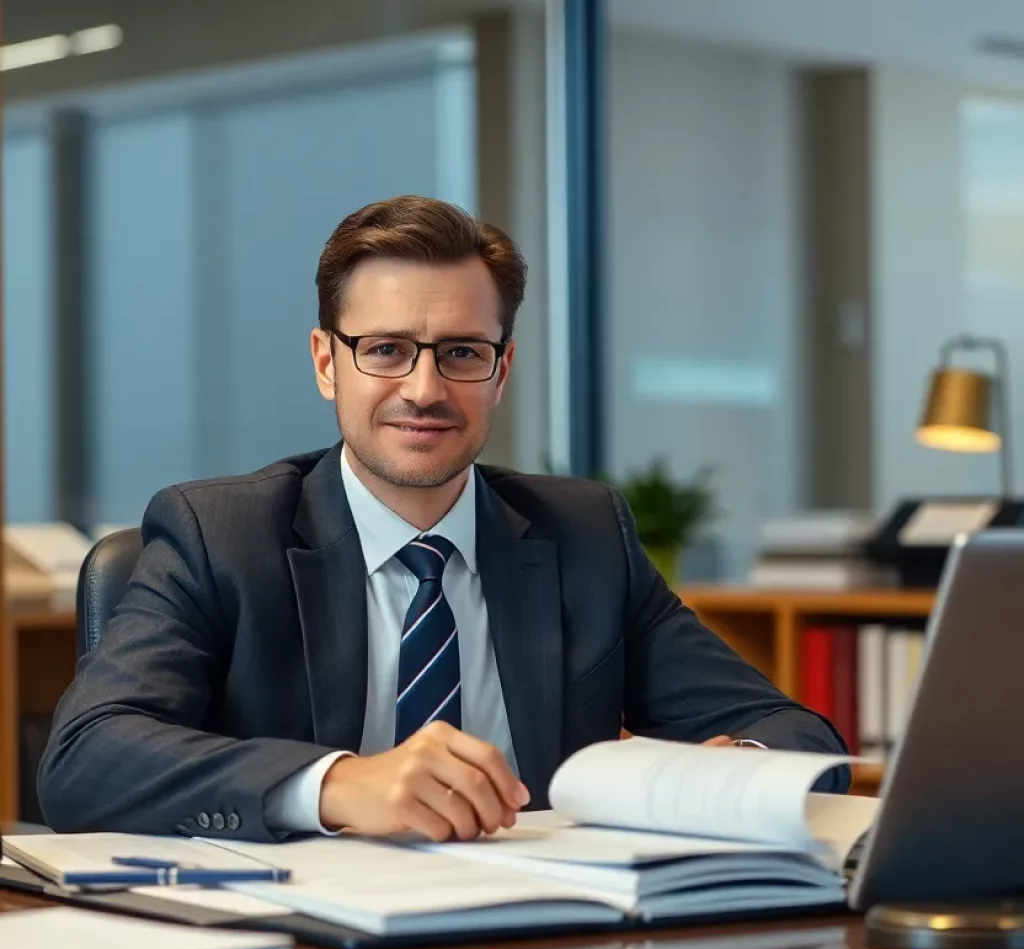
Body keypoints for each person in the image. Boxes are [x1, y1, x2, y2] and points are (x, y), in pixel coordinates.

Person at [37, 195, 847, 844]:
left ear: (503, 369)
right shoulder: (219, 534)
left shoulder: (586, 534)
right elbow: (85, 758)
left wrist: (732, 772)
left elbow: (795, 734)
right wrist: (341, 784)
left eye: (461, 352)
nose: (424, 389)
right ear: (327, 362)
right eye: (386, 349)